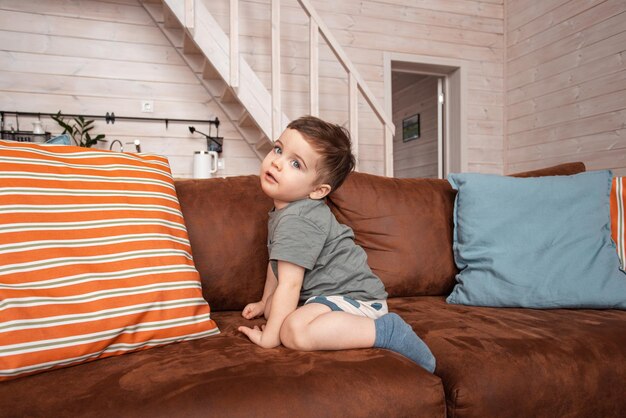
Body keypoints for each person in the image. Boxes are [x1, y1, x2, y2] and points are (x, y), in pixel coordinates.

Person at [237, 115, 435, 372]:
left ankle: (386, 331)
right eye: (278, 149)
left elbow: (290, 283)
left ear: (318, 191)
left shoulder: (298, 218)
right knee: (277, 309)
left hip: (356, 299)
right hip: (329, 297)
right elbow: (276, 264)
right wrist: (265, 303)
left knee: (292, 331)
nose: (277, 162)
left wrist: (269, 338)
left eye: (296, 163)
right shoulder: (285, 212)